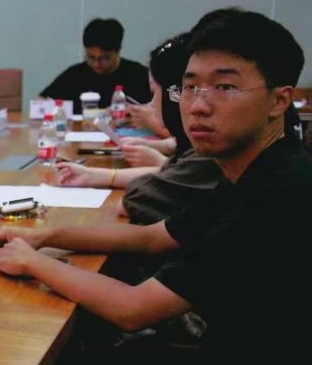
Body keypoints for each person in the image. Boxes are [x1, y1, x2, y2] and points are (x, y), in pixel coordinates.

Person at [0, 8, 309, 365]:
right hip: (229, 361)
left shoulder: (276, 196)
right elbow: (152, 237)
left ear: (279, 100)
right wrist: (44, 236)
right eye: (189, 87)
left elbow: (133, 309)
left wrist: (31, 262)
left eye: (225, 87)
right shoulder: (256, 170)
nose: (198, 106)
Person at [54, 33, 223, 224]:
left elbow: (133, 201)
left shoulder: (208, 153)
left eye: (154, 92)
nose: (151, 104)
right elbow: (168, 170)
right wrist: (92, 175)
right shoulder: (195, 151)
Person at [39, 18, 152, 113]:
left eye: (104, 58)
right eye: (90, 57)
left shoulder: (139, 75)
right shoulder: (75, 74)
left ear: (118, 51)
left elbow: (158, 111)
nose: (96, 64)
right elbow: (40, 101)